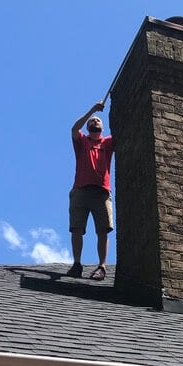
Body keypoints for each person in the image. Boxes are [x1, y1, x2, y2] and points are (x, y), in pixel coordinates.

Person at [66, 101, 114, 280]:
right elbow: (74, 128)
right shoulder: (83, 141)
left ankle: (101, 266)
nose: (95, 121)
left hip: (101, 192)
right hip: (80, 191)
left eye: (98, 120)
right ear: (87, 127)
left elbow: (122, 132)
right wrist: (93, 110)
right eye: (92, 121)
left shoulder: (108, 142)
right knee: (76, 228)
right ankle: (77, 264)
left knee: (103, 230)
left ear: (102, 127)